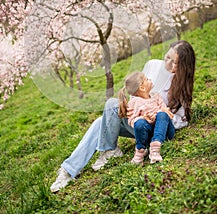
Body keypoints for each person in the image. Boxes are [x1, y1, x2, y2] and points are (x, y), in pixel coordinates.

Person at [50, 40, 195, 192]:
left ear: (184, 66)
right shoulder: (152, 65)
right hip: (137, 123)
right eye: (168, 58)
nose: (169, 64)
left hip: (156, 131)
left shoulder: (180, 84)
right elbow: (137, 95)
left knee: (105, 116)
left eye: (176, 63)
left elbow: (181, 121)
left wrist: (158, 115)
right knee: (105, 116)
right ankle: (68, 170)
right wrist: (132, 109)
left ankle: (109, 151)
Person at [118, 71, 174, 165]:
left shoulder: (156, 96)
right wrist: (144, 118)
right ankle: (141, 150)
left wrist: (159, 113)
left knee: (162, 114)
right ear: (142, 88)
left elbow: (165, 111)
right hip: (149, 134)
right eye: (147, 79)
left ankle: (155, 147)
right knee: (139, 123)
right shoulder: (135, 102)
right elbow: (132, 120)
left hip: (165, 132)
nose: (150, 80)